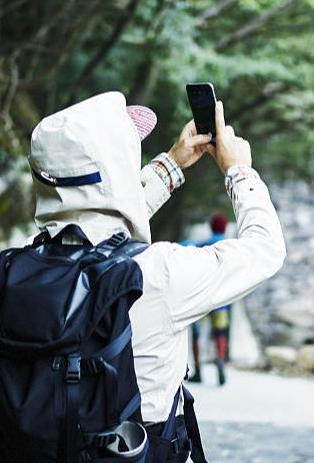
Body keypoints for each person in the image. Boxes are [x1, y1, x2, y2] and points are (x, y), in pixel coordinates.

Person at [28, 91, 285, 462]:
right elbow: (266, 249)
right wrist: (238, 170)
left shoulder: (24, 263)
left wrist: (171, 165)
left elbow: (95, 218)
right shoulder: (158, 272)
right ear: (116, 170)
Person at [186, 214, 233, 386]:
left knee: (197, 334)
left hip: (201, 298)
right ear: (225, 227)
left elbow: (184, 249)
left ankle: (198, 370)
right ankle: (220, 362)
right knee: (221, 333)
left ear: (211, 227)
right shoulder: (230, 246)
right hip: (222, 299)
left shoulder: (202, 245)